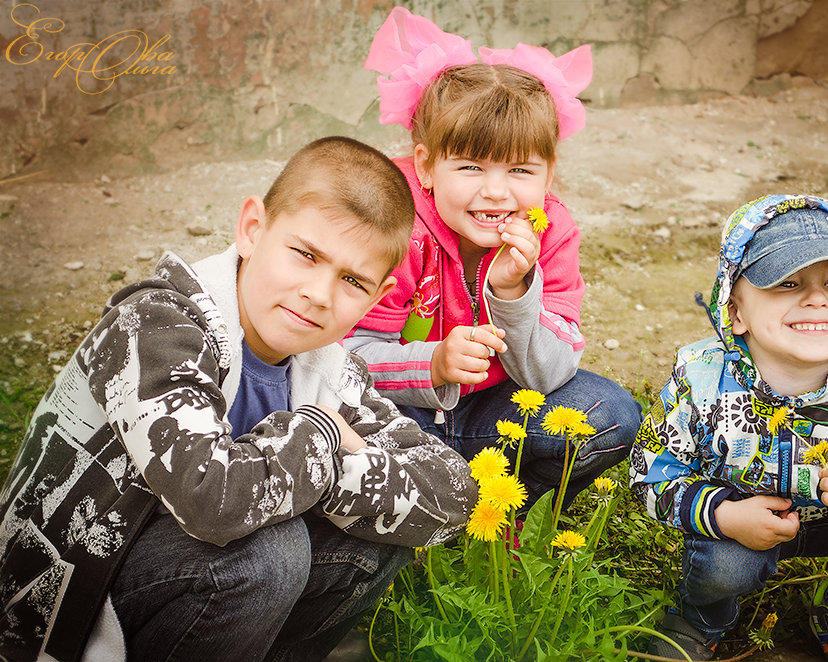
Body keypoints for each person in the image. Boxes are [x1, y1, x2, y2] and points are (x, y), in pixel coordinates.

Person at [0, 136, 478, 662]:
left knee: (372, 541)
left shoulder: (330, 369)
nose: (318, 294)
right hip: (66, 607)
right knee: (271, 555)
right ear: (253, 229)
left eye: (351, 280)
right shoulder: (156, 325)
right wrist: (321, 436)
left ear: (380, 296)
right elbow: (212, 497)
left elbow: (454, 494)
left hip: (180, 580)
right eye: (305, 254)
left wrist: (321, 471)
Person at [345, 7, 641, 509]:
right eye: (470, 166)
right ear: (426, 166)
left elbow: (547, 378)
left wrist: (511, 291)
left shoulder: (552, 232)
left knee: (610, 412)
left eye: (522, 170)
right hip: (402, 414)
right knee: (342, 421)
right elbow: (346, 362)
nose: (497, 192)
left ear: (549, 174)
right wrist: (433, 363)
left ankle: (498, 509)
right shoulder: (394, 223)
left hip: (492, 412)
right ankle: (421, 506)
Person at [629, 195, 828, 662]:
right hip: (740, 522)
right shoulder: (699, 378)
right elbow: (648, 474)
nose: (816, 298)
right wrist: (723, 516)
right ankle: (703, 615)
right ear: (734, 312)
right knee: (724, 565)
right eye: (787, 282)